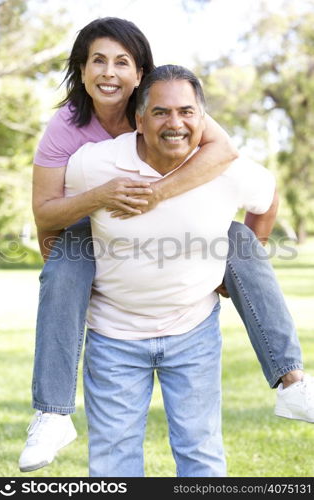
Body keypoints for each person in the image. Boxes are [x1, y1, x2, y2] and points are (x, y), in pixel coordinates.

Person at [18, 17, 313, 474]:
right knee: (66, 258)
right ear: (81, 69)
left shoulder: (172, 104)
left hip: (188, 322)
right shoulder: (71, 135)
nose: (109, 73)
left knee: (236, 239)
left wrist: (160, 194)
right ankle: (53, 412)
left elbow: (227, 155)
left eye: (122, 62)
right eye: (98, 61)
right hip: (100, 270)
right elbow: (46, 213)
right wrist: (98, 204)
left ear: (140, 75)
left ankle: (291, 379)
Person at [64, 64, 277, 477]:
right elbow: (54, 213)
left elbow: (266, 201)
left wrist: (237, 264)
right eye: (161, 112)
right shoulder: (93, 164)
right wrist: (69, 275)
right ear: (139, 120)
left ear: (202, 119)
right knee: (113, 461)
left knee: (200, 453)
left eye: (187, 111)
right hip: (114, 334)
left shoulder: (227, 168)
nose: (175, 123)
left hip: (193, 329)